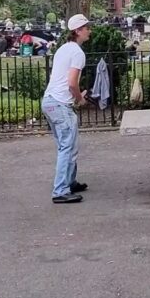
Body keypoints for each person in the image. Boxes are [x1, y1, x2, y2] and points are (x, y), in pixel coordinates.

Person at [41, 14, 92, 204]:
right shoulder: (78, 53)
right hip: (61, 104)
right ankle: (60, 190)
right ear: (77, 31)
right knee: (67, 147)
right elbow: (71, 82)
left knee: (67, 145)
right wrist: (80, 99)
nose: (89, 31)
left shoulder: (63, 48)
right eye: (86, 27)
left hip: (49, 100)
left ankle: (70, 181)